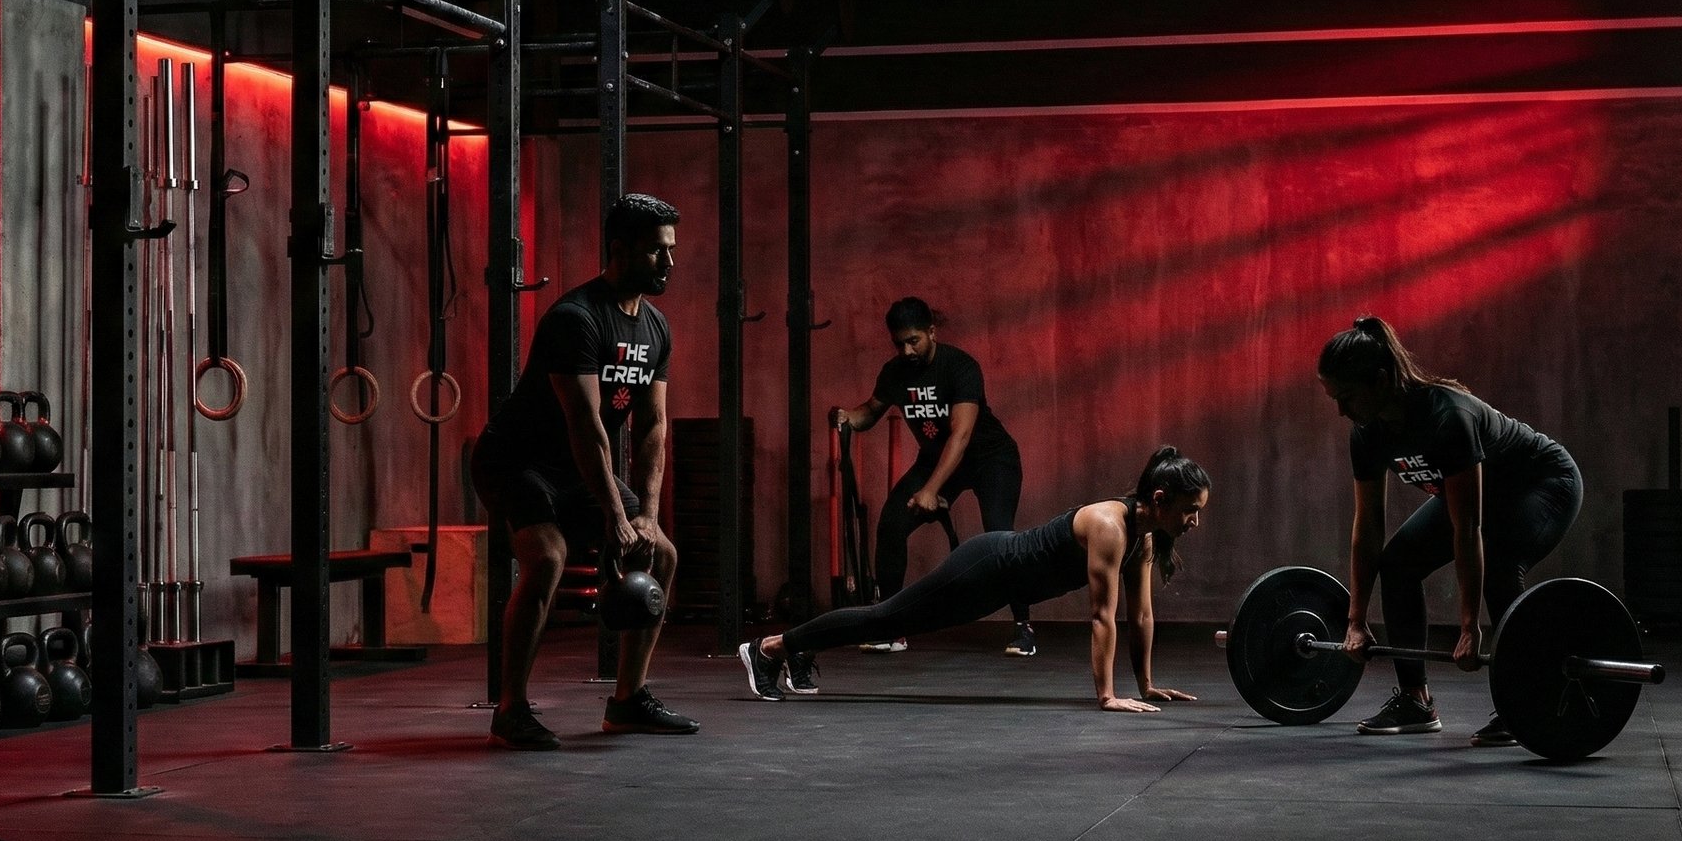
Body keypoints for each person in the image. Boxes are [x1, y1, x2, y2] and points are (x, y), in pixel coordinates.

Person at [471, 192, 698, 750]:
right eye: (656, 253)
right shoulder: (576, 319)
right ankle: (511, 709)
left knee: (661, 551)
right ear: (619, 250)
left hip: (574, 468)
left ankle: (627, 701)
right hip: (516, 461)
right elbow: (587, 426)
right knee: (546, 558)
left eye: (671, 251)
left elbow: (651, 428)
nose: (668, 264)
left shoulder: (656, 328)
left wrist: (644, 515)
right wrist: (616, 517)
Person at [738, 446, 1210, 711]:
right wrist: (1107, 696)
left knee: (891, 622)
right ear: (1162, 497)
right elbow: (1102, 617)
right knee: (886, 619)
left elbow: (1141, 615)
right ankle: (771, 649)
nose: (1194, 521)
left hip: (1001, 587)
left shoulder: (1144, 537)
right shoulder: (1111, 526)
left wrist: (1146, 685)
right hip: (987, 565)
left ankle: (803, 648)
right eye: (1190, 510)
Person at [1318, 314, 1584, 746]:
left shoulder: (1447, 417)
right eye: (1334, 398)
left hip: (1542, 482)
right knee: (1398, 564)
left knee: (1501, 564)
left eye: (1347, 397)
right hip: (1483, 498)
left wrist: (1468, 626)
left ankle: (1529, 698)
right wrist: (1355, 620)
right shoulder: (1366, 435)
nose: (1341, 410)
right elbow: (1367, 528)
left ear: (1382, 380)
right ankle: (1415, 700)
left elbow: (1467, 528)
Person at [830, 297, 1038, 658]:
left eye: (914, 341)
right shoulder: (894, 372)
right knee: (892, 524)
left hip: (990, 458)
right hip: (936, 460)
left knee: (1000, 535)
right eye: (899, 343)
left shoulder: (959, 367)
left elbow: (960, 435)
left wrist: (931, 490)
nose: (907, 350)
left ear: (931, 332)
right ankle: (890, 627)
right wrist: (848, 416)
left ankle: (1024, 628)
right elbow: (870, 412)